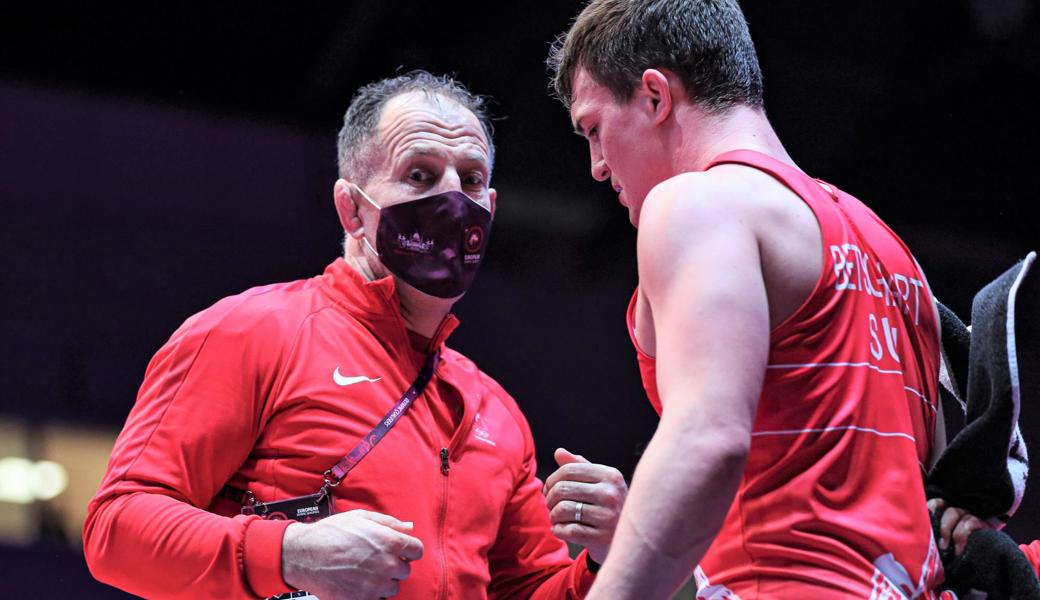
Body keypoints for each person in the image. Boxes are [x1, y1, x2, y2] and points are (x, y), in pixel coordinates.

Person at [83, 71, 626, 600]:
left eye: (471, 179)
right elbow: (116, 530)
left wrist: (605, 555)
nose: (452, 199)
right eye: (419, 175)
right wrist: (291, 553)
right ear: (352, 208)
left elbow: (528, 591)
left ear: (491, 207)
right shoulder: (252, 331)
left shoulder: (496, 414)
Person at [548, 1, 946, 598]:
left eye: (595, 129)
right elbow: (940, 499)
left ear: (655, 96)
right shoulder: (892, 253)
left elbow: (707, 438)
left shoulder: (698, 203)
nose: (598, 167)